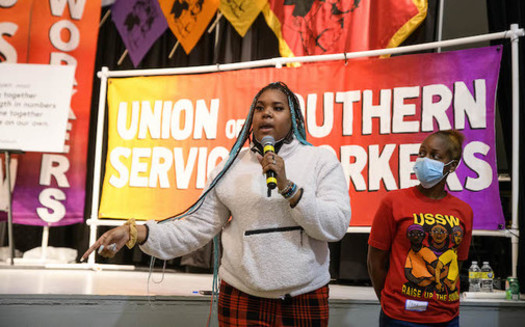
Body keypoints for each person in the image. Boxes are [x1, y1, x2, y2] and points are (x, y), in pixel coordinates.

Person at [82, 81, 351, 327]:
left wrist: (288, 188)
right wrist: (136, 232)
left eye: (277, 108)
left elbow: (335, 226)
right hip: (242, 295)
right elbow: (197, 226)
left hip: (303, 296)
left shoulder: (320, 161)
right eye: (259, 108)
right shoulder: (229, 167)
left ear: (293, 118)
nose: (266, 113)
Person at [367, 130, 473, 327]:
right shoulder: (393, 202)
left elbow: (457, 262)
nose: (425, 159)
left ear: (452, 166)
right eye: (422, 153)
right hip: (399, 317)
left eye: (435, 155)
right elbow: (375, 261)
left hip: (446, 317)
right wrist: (389, 302)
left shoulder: (464, 211)